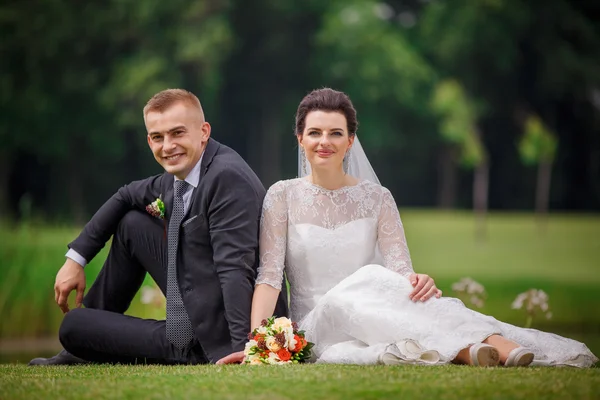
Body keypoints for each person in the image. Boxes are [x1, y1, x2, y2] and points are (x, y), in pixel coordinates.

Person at [217, 88, 598, 367]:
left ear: (351, 140)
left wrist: (417, 281)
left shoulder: (378, 198)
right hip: (319, 323)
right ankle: (482, 345)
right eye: (315, 132)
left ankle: (481, 348)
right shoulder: (281, 196)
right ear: (300, 139)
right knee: (360, 283)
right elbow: (268, 277)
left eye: (336, 133)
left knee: (384, 291)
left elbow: (400, 272)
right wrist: (259, 344)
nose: (325, 142)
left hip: (376, 314)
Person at [29, 89, 288, 366]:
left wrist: (244, 351)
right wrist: (76, 258)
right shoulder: (178, 177)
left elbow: (235, 269)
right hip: (196, 307)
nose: (167, 146)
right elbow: (125, 194)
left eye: (177, 133)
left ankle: (83, 348)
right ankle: (82, 351)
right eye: (157, 137)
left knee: (74, 325)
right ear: (148, 139)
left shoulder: (226, 178)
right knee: (132, 224)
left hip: (215, 338)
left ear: (203, 132)